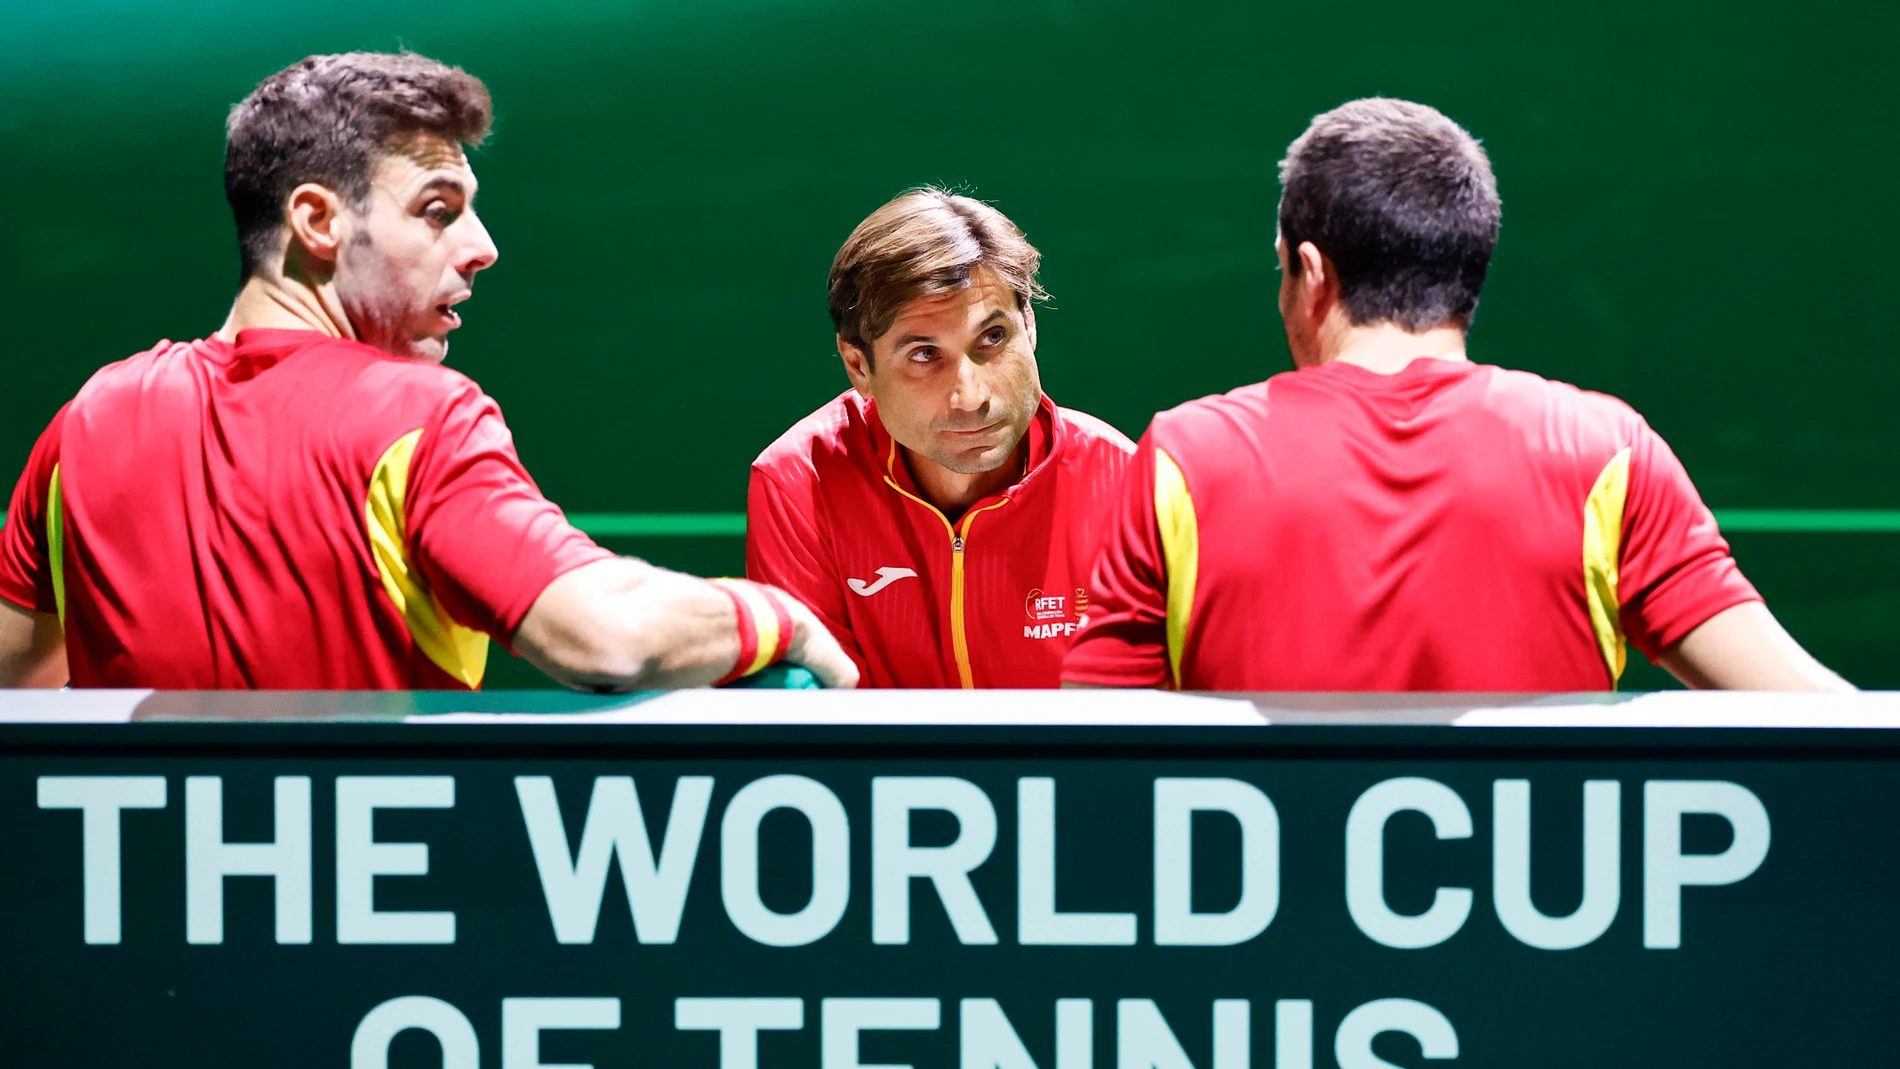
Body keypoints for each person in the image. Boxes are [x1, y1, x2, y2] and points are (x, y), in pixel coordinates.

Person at [0, 51, 855, 692]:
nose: (482, 249)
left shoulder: (85, 421)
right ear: (317, 219)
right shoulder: (417, 416)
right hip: (367, 917)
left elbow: (24, 701)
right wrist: (778, 615)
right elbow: (607, 634)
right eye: (438, 211)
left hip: (132, 918)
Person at [1064, 98, 1850, 692]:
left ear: (1310, 273)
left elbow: (1083, 767)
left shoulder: (1187, 456)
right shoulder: (1606, 451)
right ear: (1467, 269)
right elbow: (1812, 713)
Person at [746, 189, 1134, 687]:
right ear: (858, 366)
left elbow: (1144, 720)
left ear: (1029, 327)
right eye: (925, 355)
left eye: (993, 338)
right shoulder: (798, 484)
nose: (970, 397)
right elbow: (816, 726)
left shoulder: (1124, 480)